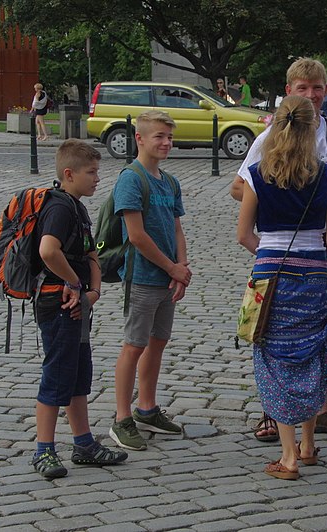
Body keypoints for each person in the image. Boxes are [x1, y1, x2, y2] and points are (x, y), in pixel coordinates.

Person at [231, 57, 327, 442]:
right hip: (296, 248)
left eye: (318, 88)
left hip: (319, 247)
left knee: (320, 333)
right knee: (269, 331)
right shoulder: (267, 139)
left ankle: (319, 410)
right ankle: (273, 414)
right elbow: (238, 188)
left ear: (325, 91)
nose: (312, 95)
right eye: (303, 88)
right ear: (289, 91)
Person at [31, 139, 128, 479]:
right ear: (69, 174)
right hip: (58, 304)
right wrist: (74, 283)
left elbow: (91, 254)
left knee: (78, 375)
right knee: (57, 374)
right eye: (92, 172)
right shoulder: (59, 208)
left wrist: (94, 289)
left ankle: (84, 443)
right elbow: (48, 251)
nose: (97, 178)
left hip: (78, 305)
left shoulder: (77, 206)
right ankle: (43, 449)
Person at [109, 110, 192, 451]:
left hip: (167, 279)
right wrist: (171, 268)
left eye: (169, 137)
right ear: (139, 139)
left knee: (157, 343)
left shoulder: (170, 182)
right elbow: (137, 236)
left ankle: (147, 408)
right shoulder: (132, 178)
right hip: (143, 277)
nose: (166, 143)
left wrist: (182, 267)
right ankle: (121, 417)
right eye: (159, 136)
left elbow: (176, 227)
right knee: (134, 345)